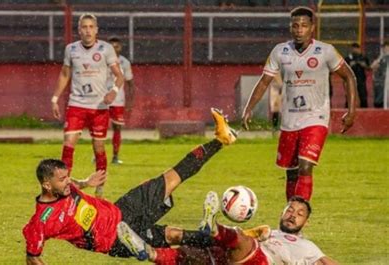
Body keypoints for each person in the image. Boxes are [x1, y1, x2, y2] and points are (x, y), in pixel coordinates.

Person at [23, 108, 237, 265]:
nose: (68, 181)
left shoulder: (67, 187)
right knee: (174, 236)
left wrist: (85, 183)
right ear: (46, 185)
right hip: (115, 240)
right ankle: (228, 247)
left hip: (123, 209)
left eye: (67, 177)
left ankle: (220, 139)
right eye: (62, 179)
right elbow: (32, 257)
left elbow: (72, 183)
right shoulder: (42, 221)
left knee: (171, 178)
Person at [241, 6, 357, 201]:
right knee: (291, 172)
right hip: (290, 120)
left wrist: (351, 112)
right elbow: (264, 81)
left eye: (304, 26)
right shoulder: (280, 51)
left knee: (305, 166)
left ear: (312, 27)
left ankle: (300, 213)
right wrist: (248, 108)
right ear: (290, 28)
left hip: (316, 118)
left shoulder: (325, 51)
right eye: (295, 26)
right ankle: (290, 215)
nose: (299, 30)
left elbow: (349, 76)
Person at [119, 194, 339, 265]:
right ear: (282, 213)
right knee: (192, 254)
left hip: (264, 263)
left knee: (244, 242)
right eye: (290, 210)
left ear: (306, 223)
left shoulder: (307, 246)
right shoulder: (271, 232)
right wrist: (260, 233)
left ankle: (213, 227)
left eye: (299, 214)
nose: (293, 215)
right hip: (239, 258)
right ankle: (147, 252)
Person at [50, 13, 124, 198]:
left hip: (99, 107)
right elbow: (65, 74)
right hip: (77, 104)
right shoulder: (71, 49)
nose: (88, 30)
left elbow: (119, 75)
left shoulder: (106, 49)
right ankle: (63, 187)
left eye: (91, 27)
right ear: (79, 30)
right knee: (68, 143)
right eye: (84, 27)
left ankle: (99, 189)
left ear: (96, 30)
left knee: (98, 147)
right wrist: (55, 98)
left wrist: (114, 90)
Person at [106, 36, 136, 164]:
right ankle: (97, 155)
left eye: (116, 46)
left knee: (117, 128)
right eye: (111, 46)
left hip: (118, 100)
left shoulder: (125, 63)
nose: (114, 48)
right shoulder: (100, 60)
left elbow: (130, 83)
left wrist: (130, 102)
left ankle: (115, 156)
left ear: (120, 47)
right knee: (98, 128)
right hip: (101, 99)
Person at [345, 43, 370, 108]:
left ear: (359, 49)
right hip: (351, 79)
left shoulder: (363, 57)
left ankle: (364, 110)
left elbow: (368, 68)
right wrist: (351, 65)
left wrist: (363, 64)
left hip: (361, 79)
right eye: (353, 49)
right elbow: (344, 69)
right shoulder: (348, 58)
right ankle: (348, 109)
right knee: (349, 95)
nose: (355, 50)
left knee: (363, 95)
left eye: (356, 49)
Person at [370, 41, 389, 108]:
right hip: (380, 83)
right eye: (384, 47)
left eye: (386, 47)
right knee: (378, 99)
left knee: (383, 99)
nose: (385, 49)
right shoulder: (381, 57)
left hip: (385, 82)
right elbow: (372, 66)